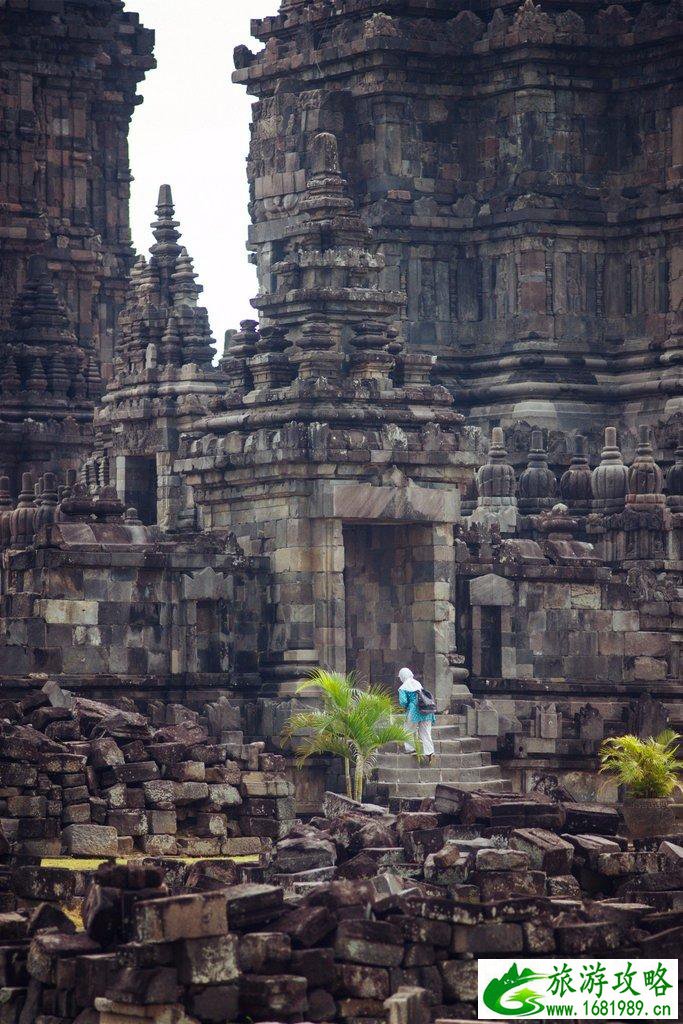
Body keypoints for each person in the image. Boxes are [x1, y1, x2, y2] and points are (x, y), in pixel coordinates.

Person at [397, 666, 436, 764]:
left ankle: (410, 749)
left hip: (414, 711)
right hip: (426, 710)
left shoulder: (403, 688)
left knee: (408, 729)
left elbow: (403, 702)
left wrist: (406, 707)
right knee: (426, 732)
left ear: (402, 676)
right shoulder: (418, 684)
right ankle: (430, 752)